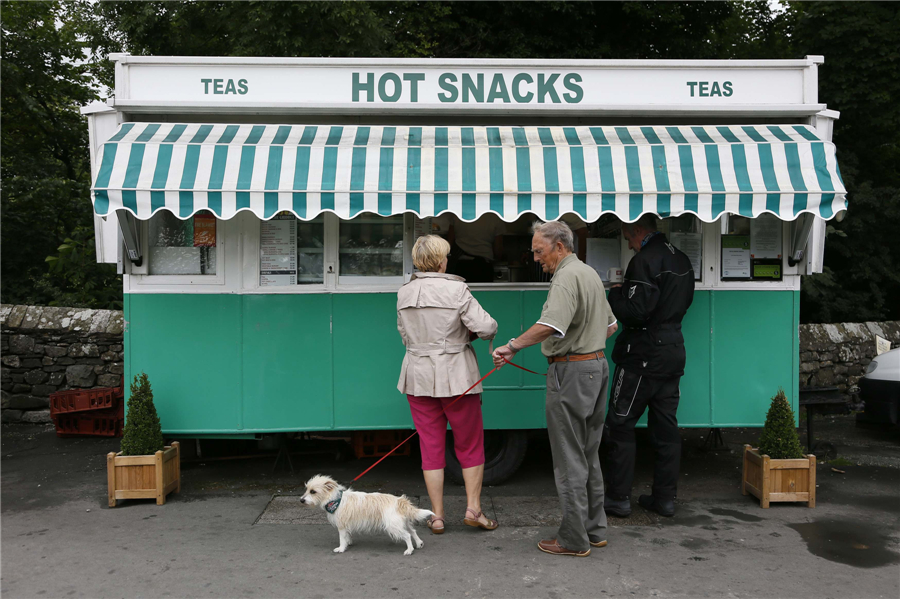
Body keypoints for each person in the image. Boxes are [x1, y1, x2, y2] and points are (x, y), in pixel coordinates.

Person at [493, 221, 618, 557]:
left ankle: (573, 540)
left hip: (572, 373)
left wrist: (512, 346)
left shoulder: (565, 277)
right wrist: (585, 346)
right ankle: (595, 530)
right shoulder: (590, 273)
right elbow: (611, 326)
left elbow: (552, 324)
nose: (536, 258)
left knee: (568, 459)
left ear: (560, 247)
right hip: (597, 367)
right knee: (588, 454)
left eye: (539, 250)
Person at [396, 234, 499, 534]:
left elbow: (405, 336)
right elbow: (486, 326)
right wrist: (466, 337)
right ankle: (473, 509)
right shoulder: (457, 289)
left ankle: (437, 516)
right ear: (442, 261)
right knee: (469, 443)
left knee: (430, 446)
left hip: (417, 377)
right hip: (457, 377)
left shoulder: (404, 293)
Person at [603, 214, 695, 518]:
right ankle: (664, 499)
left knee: (620, 424)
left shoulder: (644, 260)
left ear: (639, 231)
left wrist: (615, 292)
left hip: (641, 353)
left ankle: (618, 499)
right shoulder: (681, 258)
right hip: (674, 350)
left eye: (629, 238)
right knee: (666, 428)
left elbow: (635, 313)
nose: (629, 245)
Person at [438, 213, 506, 282]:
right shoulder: (495, 217)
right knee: (484, 292)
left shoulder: (458, 214)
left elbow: (449, 243)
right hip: (484, 266)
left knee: (462, 291)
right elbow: (498, 250)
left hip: (461, 264)